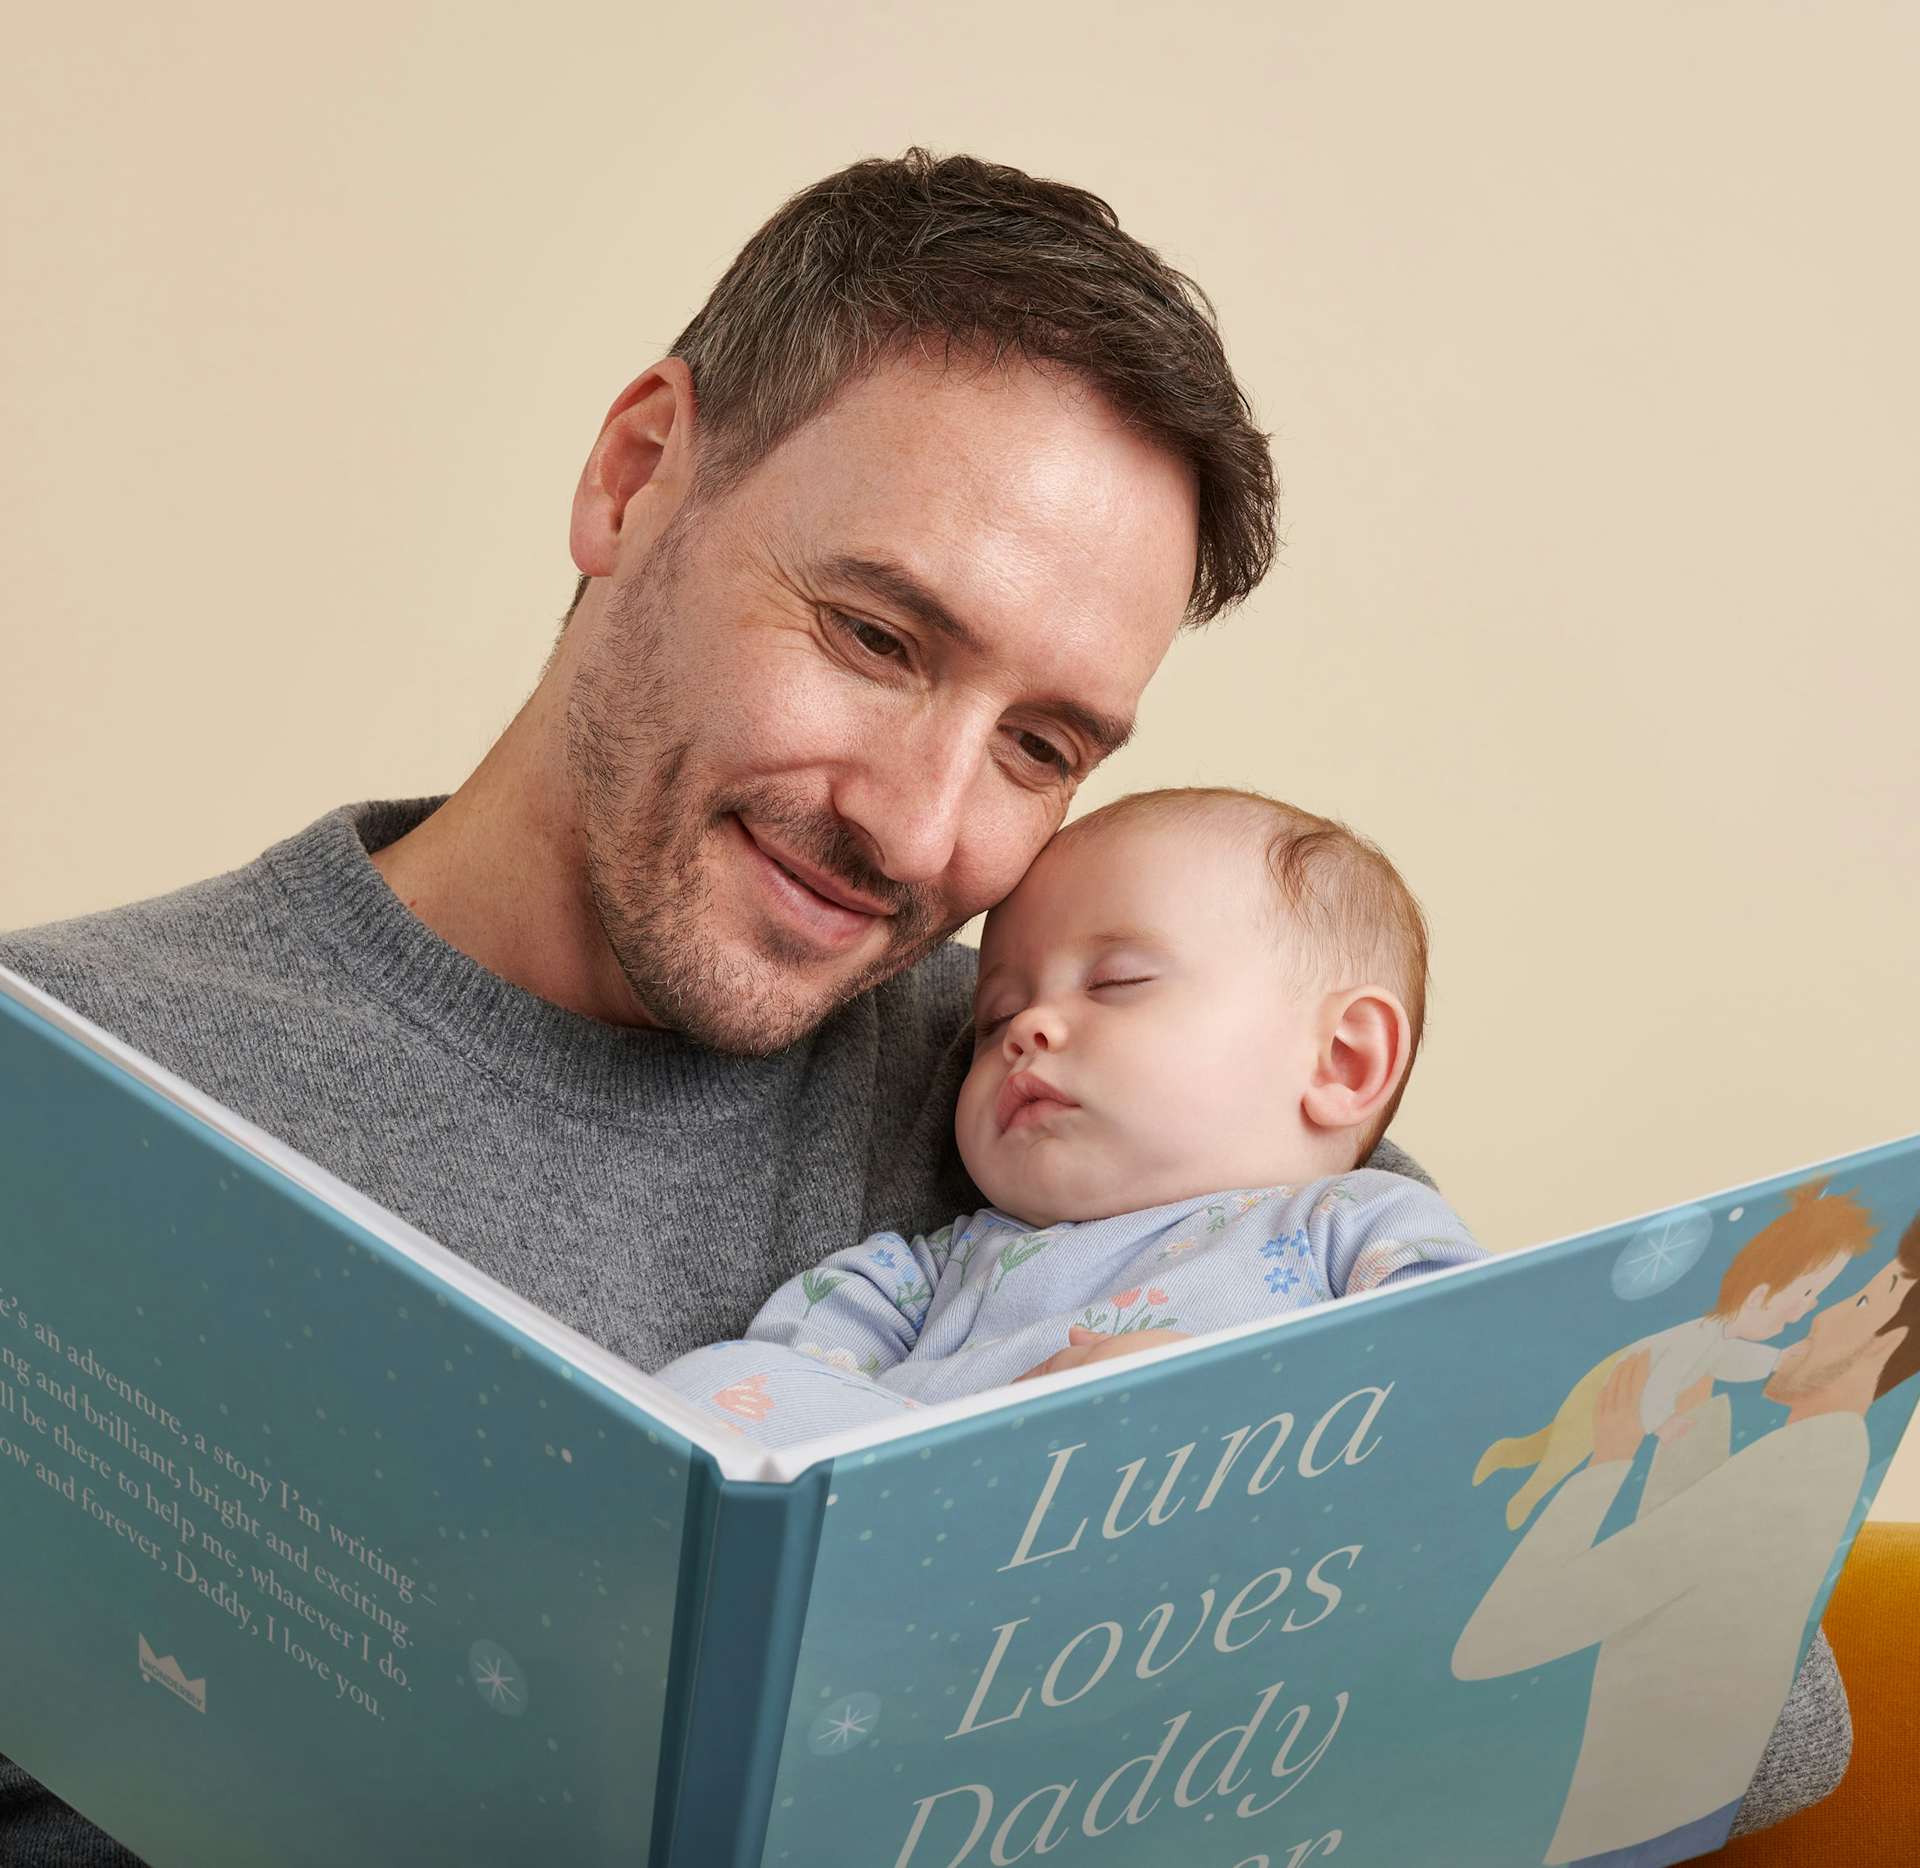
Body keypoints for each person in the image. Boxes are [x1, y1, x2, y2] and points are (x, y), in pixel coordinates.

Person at [0, 148, 1843, 1858]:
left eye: (1042, 746)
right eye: (878, 638)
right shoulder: (71, 1071)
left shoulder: (1092, 1099)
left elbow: (1750, 1705)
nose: (923, 831)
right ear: (637, 475)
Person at [655, 787, 1484, 1448]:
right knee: (704, 1389)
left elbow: (1477, 1381)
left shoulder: (1356, 1228)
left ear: (1344, 1060)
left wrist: (1236, 1400)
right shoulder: (929, 1272)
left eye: (1116, 983)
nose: (1028, 1029)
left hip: (1213, 1540)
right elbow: (771, 1404)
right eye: (992, 1019)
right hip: (937, 1546)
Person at [1452, 1203, 1920, 1866]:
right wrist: (1690, 1422)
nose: (1820, 1314)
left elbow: (1493, 1644)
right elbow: (1684, 1591)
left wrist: (1609, 1464)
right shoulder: (1828, 1458)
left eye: (1862, 1300)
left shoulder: (1789, 1472)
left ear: (1883, 1346)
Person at [1472, 1177, 1874, 1529]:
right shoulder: (1698, 1340)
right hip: (1608, 1383)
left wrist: (1774, 1360)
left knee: (1551, 1445)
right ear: (1759, 1295)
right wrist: (1661, 1422)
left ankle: (1510, 1462)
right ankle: (1523, 1495)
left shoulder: (1715, 1339)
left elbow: (1729, 1362)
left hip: (1622, 1383)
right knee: (1560, 1451)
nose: (1810, 1306)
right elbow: (1664, 1380)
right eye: (1806, 1293)